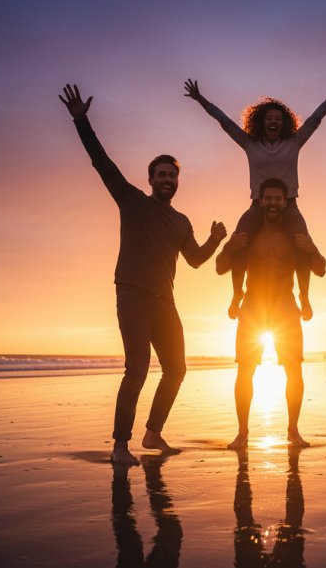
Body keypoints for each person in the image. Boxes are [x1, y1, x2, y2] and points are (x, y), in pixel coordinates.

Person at [60, 84, 227, 465]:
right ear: (150, 179)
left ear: (177, 181)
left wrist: (215, 240)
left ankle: (153, 433)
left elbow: (196, 260)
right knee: (136, 370)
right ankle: (120, 444)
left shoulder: (182, 221)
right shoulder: (132, 200)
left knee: (177, 369)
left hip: (164, 301)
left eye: (173, 175)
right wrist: (81, 121)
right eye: (161, 174)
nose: (168, 179)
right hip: (133, 294)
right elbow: (101, 163)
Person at [184, 75, 326, 322]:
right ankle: (236, 293)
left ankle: (304, 295)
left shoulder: (294, 142)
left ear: (283, 122)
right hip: (258, 205)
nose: (273, 121)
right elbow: (225, 123)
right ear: (261, 123)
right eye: (269, 118)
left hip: (290, 205)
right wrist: (201, 100)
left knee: (302, 242)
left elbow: (316, 120)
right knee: (239, 239)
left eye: (277, 118)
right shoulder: (249, 143)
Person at [216, 178, 326, 449]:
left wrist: (313, 249)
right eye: (269, 199)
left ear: (285, 203)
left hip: (286, 309)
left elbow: (321, 268)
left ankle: (293, 430)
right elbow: (220, 268)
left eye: (278, 199)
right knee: (245, 371)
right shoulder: (248, 236)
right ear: (260, 201)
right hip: (252, 309)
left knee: (294, 371)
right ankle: (242, 433)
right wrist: (229, 246)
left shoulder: (294, 238)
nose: (273, 203)